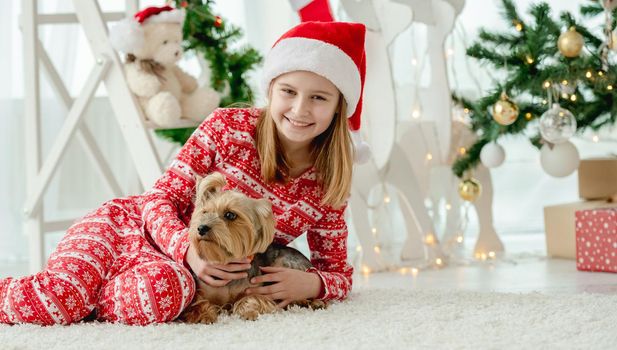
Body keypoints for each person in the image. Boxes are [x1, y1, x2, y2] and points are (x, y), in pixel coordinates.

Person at [0, 17, 369, 326]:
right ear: (271, 90)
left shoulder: (328, 182)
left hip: (171, 275)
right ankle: (73, 297)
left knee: (169, 289)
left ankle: (92, 304)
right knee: (58, 299)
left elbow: (338, 271)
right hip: (126, 229)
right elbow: (159, 199)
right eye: (289, 91)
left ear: (339, 107)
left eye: (319, 97)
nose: (300, 109)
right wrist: (187, 252)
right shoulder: (228, 128)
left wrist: (313, 286)